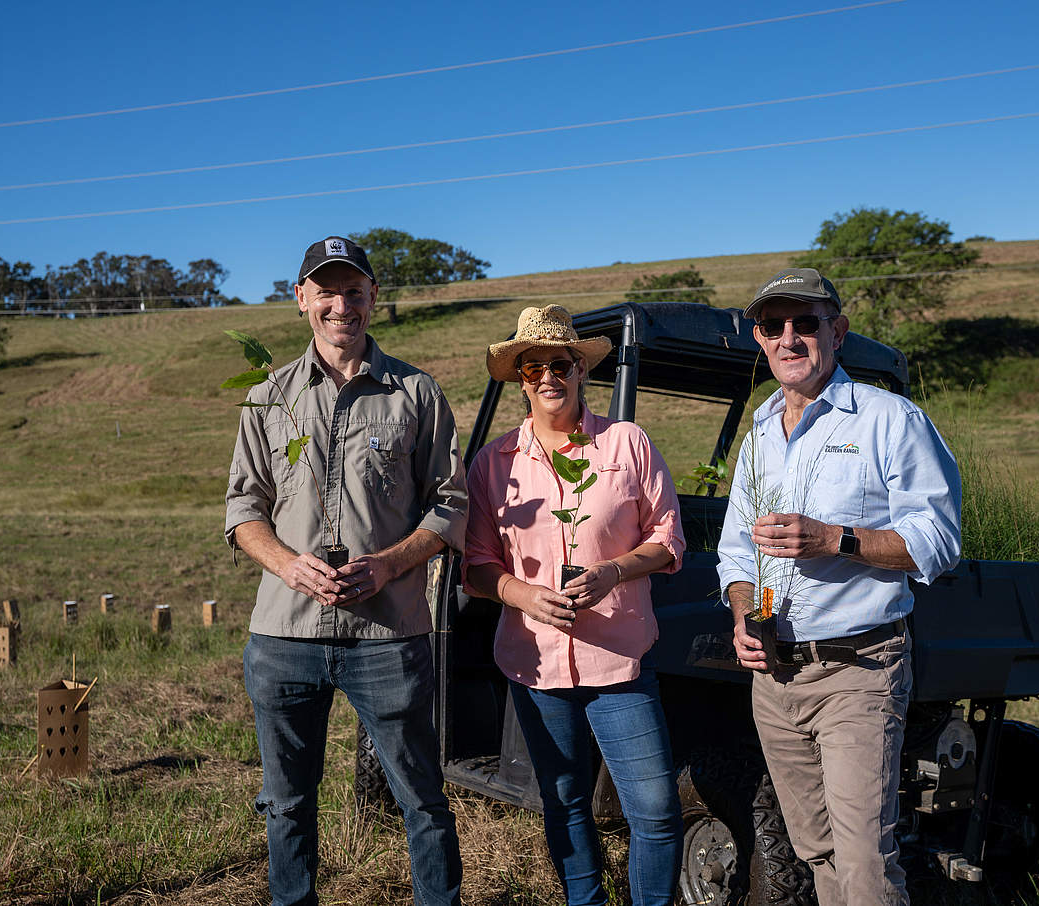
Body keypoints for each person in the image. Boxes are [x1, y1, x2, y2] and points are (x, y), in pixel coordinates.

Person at [225, 235, 467, 906]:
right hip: (284, 637)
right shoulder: (267, 398)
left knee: (421, 801)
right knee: (286, 804)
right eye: (324, 291)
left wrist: (388, 565)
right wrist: (286, 565)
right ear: (301, 298)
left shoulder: (416, 392)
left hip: (386, 639)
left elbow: (450, 507)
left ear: (373, 300)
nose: (340, 306)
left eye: (352, 292)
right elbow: (244, 506)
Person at [716, 268, 961, 906]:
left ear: (838, 332)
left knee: (862, 860)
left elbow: (938, 542)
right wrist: (744, 617)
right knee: (816, 848)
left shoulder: (889, 420)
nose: (790, 338)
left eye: (807, 323)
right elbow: (736, 553)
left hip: (859, 669)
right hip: (774, 677)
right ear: (759, 340)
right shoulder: (759, 436)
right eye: (775, 326)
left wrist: (836, 539)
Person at [463, 305, 685, 906]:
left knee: (657, 810)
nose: (546, 378)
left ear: (581, 371)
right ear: (519, 380)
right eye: (531, 368)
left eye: (559, 364)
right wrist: (524, 594)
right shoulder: (492, 464)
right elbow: (477, 565)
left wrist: (614, 570)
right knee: (563, 801)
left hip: (619, 660)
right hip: (534, 665)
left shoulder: (627, 441)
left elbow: (668, 538)